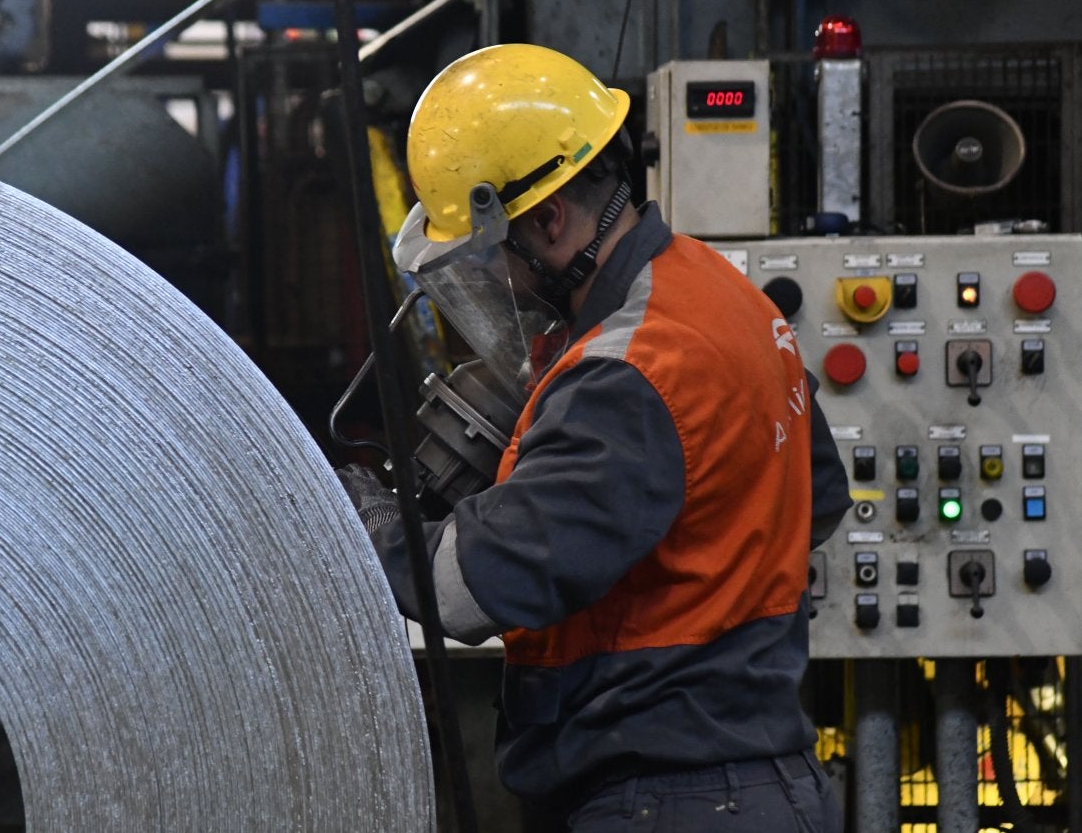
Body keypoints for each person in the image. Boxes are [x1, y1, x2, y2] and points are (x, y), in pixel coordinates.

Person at [339, 43, 852, 831]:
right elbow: (820, 496)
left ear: (547, 218)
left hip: (666, 797)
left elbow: (475, 586)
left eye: (488, 255)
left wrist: (371, 527)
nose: (496, 282)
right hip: (754, 780)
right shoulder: (724, 295)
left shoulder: (626, 373)